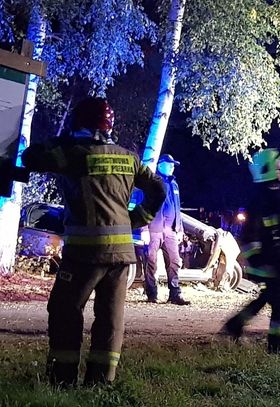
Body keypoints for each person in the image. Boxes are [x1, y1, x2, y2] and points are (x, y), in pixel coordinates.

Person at [21, 97, 166, 386]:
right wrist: (136, 219)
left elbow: (31, 157)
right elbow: (158, 189)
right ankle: (101, 381)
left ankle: (63, 379)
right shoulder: (128, 157)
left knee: (64, 310)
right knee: (110, 318)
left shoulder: (73, 154)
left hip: (84, 254)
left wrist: (62, 138)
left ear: (79, 122)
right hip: (122, 255)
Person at [221, 148, 280, 354]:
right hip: (271, 264)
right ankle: (279, 346)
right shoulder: (262, 201)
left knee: (268, 298)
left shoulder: (278, 196)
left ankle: (235, 325)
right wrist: (259, 260)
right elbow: (250, 236)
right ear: (269, 171)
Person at [145, 154, 191, 305]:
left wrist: (180, 229)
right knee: (151, 261)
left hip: (170, 230)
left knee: (174, 261)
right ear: (160, 165)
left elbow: (177, 208)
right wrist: (144, 229)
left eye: (173, 165)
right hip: (154, 229)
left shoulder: (174, 184)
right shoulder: (152, 182)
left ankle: (175, 294)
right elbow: (144, 205)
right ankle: (152, 294)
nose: (172, 167)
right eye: (169, 164)